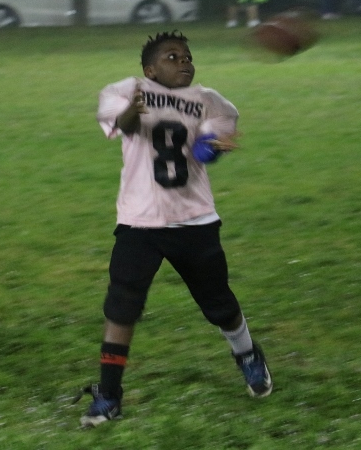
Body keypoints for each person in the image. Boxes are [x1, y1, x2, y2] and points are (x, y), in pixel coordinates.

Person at [75, 30, 273, 428]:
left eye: (187, 56)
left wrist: (211, 147)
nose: (184, 62)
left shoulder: (207, 99)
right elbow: (124, 126)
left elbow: (207, 143)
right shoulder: (127, 91)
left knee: (219, 303)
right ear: (150, 70)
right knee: (121, 306)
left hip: (194, 218)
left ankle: (247, 353)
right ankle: (109, 394)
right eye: (172, 56)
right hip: (140, 221)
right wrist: (133, 109)